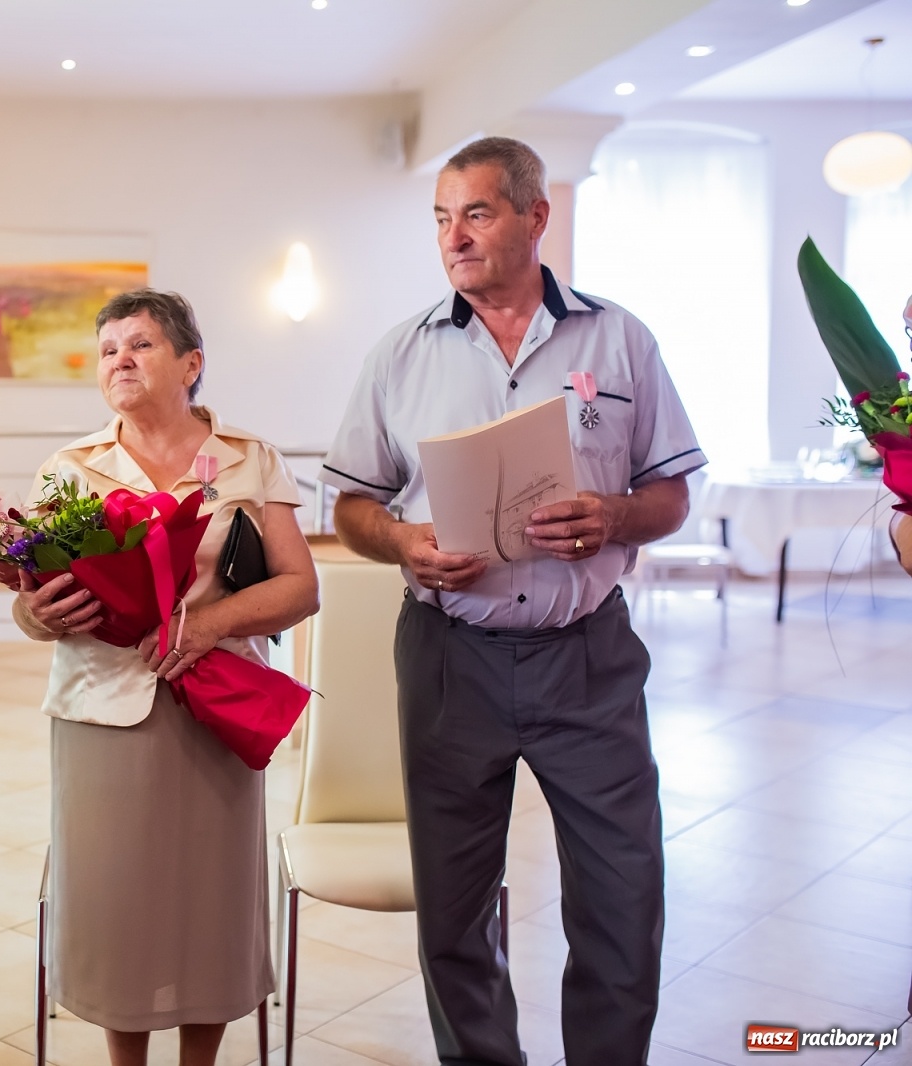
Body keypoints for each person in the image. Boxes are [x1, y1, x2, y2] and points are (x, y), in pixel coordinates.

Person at [319, 137, 704, 1066]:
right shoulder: (399, 353)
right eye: (443, 218)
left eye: (478, 213)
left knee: (624, 892)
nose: (455, 236)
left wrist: (612, 515)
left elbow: (674, 494)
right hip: (451, 657)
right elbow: (353, 505)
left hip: (589, 657)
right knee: (453, 906)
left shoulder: (621, 340)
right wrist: (405, 542)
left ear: (537, 217)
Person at [11, 290, 319, 1066]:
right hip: (101, 712)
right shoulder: (71, 470)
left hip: (217, 708)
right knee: (120, 902)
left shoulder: (249, 459)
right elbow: (28, 610)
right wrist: (42, 614)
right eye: (109, 346)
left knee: (208, 900)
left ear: (192, 363)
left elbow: (299, 587)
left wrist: (208, 623)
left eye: (141, 344)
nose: (120, 357)